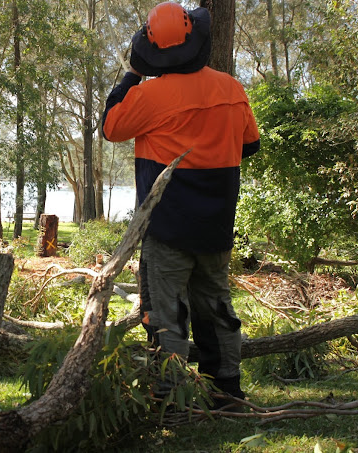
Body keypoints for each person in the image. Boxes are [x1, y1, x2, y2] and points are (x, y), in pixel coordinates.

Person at [102, 2, 260, 402]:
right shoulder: (231, 89)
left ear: (151, 51)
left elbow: (110, 127)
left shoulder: (148, 96)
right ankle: (226, 393)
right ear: (196, 40)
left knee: (165, 316)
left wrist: (133, 73)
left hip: (166, 228)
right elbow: (251, 145)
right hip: (216, 225)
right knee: (217, 309)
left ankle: (171, 399)